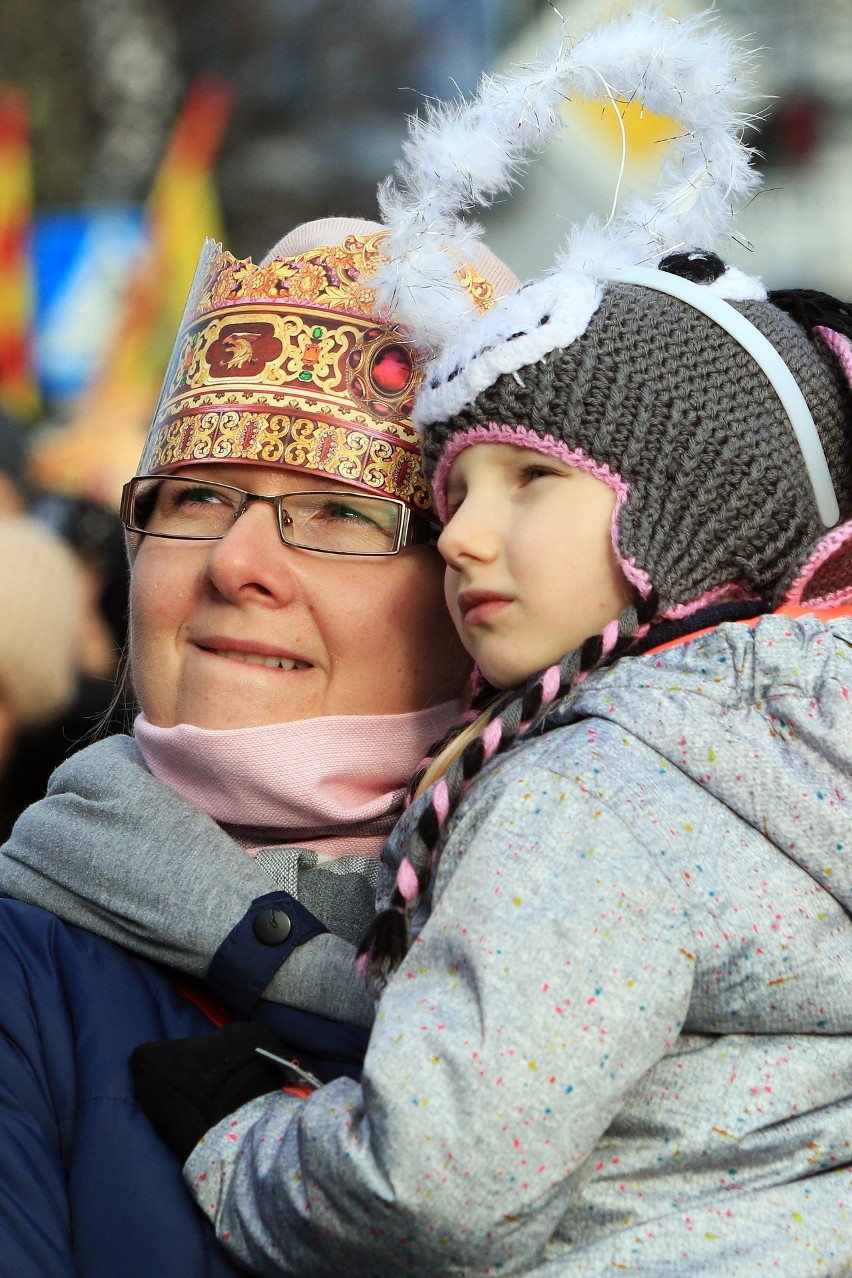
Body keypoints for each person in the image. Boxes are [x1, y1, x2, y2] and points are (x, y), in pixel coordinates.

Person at [132, 12, 852, 1277]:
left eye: (531, 484)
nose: (466, 538)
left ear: (673, 517)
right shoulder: (791, 757)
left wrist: (241, 1143)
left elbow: (439, 1181)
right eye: (453, 496)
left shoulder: (594, 788)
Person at [0, 217, 516, 1277]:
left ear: (479, 590)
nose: (239, 563)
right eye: (197, 495)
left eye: (336, 511)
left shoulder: (630, 950)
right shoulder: (21, 975)